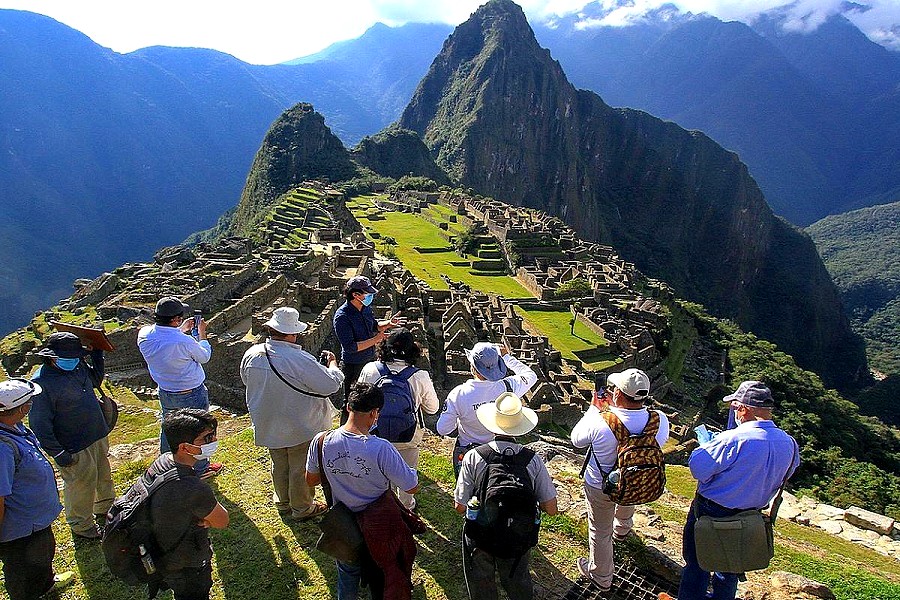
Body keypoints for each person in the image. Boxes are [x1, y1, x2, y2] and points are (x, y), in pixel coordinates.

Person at [675, 381, 799, 600]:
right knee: (731, 567)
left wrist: (707, 447)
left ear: (743, 408)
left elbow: (698, 469)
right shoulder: (789, 443)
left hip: (711, 511)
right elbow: (787, 473)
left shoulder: (733, 439)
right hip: (750, 515)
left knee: (697, 563)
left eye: (734, 407)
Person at [306, 383, 420, 600]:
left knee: (347, 572)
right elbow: (411, 486)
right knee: (382, 575)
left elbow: (311, 480)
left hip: (343, 524)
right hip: (379, 526)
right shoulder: (381, 448)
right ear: (375, 413)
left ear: (349, 407)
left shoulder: (320, 441)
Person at [570, 368, 670, 591]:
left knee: (599, 530)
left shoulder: (600, 421)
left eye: (615, 389)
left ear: (618, 395)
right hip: (638, 480)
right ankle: (623, 529)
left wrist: (593, 409)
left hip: (600, 485)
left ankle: (601, 576)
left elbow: (576, 440)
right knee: (631, 479)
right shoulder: (659, 420)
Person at [240, 306, 343, 520]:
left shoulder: (252, 354)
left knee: (279, 463)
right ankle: (302, 508)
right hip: (300, 423)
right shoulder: (299, 359)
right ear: (292, 333)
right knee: (300, 467)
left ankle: (283, 502)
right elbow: (330, 385)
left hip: (268, 420)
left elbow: (246, 380)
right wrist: (333, 365)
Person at [454, 392, 558, 600]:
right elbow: (552, 508)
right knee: (517, 579)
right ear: (519, 428)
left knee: (481, 583)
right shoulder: (532, 460)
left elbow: (460, 506)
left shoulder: (475, 456)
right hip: (518, 535)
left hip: (481, 535)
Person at [29, 332, 114, 539]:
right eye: (68, 358)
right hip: (73, 444)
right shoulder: (41, 384)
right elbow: (39, 424)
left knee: (103, 476)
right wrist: (57, 452)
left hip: (96, 433)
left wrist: (96, 356)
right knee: (80, 486)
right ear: (51, 357)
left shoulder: (78, 366)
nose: (73, 361)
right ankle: (82, 527)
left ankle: (105, 508)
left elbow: (94, 381)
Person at [0, 379, 75, 599]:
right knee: (22, 571)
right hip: (19, 529)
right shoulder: (3, 449)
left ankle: (46, 586)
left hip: (36, 520)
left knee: (43, 553)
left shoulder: (15, 428)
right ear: (22, 408)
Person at [147, 408, 229, 600]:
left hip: (160, 552)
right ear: (185, 447)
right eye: (207, 438)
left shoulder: (162, 462)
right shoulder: (193, 488)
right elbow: (222, 520)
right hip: (186, 563)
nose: (214, 441)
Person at [138, 296, 222, 478]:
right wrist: (202, 334)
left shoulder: (144, 335)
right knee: (199, 430)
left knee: (169, 428)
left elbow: (166, 344)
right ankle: (200, 469)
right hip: (191, 393)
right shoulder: (183, 341)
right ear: (175, 320)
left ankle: (167, 465)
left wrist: (180, 330)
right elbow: (204, 356)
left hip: (166, 391)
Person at [357, 327, 439, 510]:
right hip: (407, 434)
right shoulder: (420, 376)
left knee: (378, 469)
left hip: (375, 432)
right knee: (407, 471)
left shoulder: (370, 369)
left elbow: (360, 400)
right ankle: (406, 505)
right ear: (413, 350)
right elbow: (433, 409)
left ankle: (381, 503)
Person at [436, 342, 538, 477]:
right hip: (499, 452)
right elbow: (531, 376)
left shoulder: (458, 394)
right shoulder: (508, 387)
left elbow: (443, 429)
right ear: (498, 366)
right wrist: (507, 357)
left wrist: (460, 420)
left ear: (473, 367)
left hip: (468, 450)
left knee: (466, 494)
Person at [332, 276, 405, 408]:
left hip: (370, 360)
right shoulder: (342, 317)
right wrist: (376, 339)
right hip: (354, 365)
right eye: (367, 293)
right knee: (354, 401)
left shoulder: (365, 309)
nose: (370, 296)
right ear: (355, 294)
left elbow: (374, 326)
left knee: (372, 398)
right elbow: (351, 347)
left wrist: (388, 323)